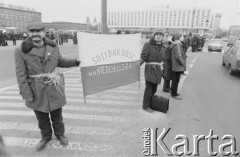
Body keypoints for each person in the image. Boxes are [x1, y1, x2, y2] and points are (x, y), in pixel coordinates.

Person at [14, 22, 81, 151]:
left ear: (44, 32)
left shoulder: (53, 46)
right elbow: (20, 75)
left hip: (53, 87)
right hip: (36, 90)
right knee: (41, 117)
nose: (35, 34)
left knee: (57, 114)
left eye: (38, 31)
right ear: (28, 33)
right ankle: (45, 137)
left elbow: (60, 61)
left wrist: (75, 61)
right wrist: (26, 94)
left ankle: (60, 134)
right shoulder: (20, 50)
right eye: (32, 31)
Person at [140, 32, 165, 113]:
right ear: (154, 36)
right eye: (157, 35)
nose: (159, 36)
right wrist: (138, 64)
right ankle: (145, 106)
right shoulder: (148, 44)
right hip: (150, 69)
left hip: (158, 70)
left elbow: (164, 60)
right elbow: (143, 56)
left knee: (154, 88)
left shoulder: (163, 47)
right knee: (149, 88)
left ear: (162, 37)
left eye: (160, 35)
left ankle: (151, 103)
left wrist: (164, 71)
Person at [170, 34, 186, 100]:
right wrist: (183, 63)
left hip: (175, 65)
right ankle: (174, 94)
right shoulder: (178, 45)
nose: (183, 37)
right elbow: (178, 56)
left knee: (175, 80)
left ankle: (174, 92)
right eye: (182, 36)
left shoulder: (174, 44)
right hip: (177, 65)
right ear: (179, 38)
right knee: (176, 80)